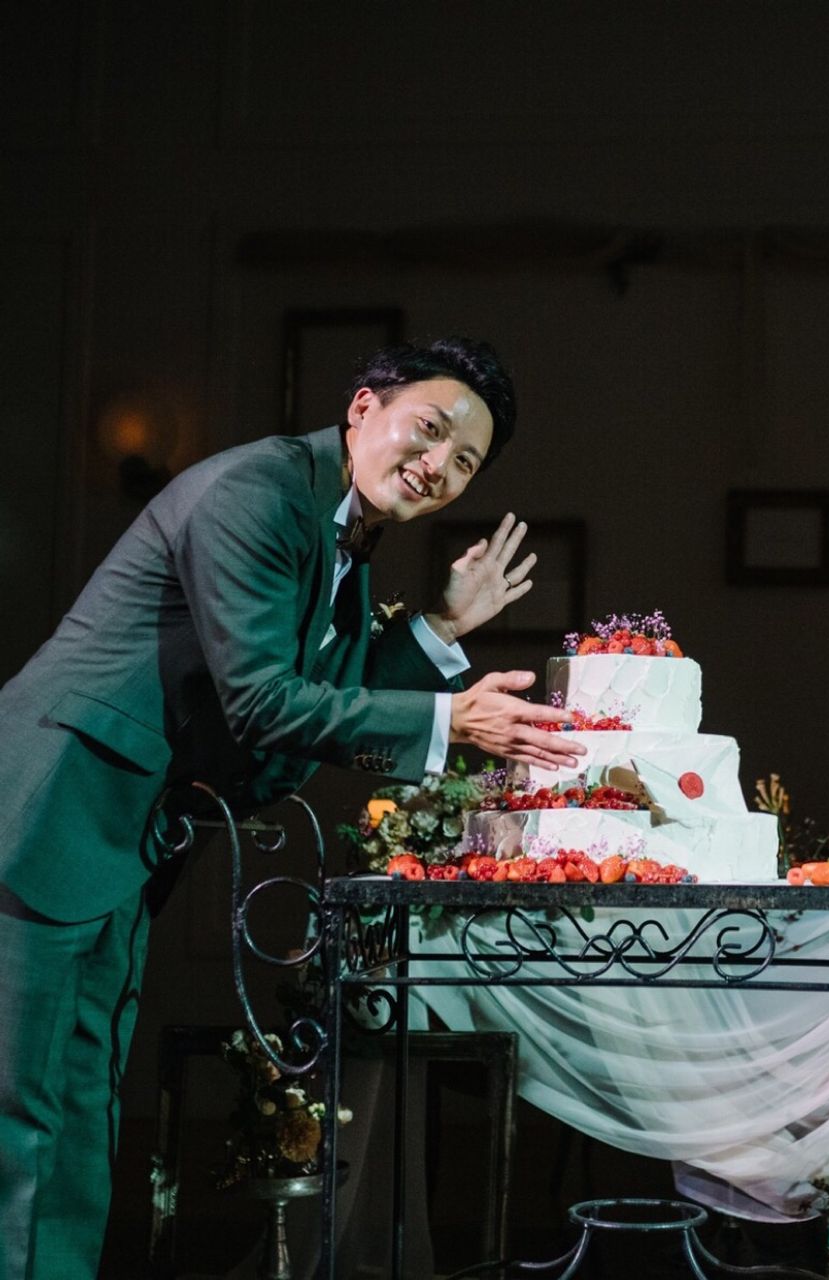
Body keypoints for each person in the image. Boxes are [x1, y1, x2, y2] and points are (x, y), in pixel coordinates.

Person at [0, 336, 583, 1280]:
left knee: (79, 1111)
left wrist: (439, 628)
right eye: (430, 429)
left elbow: (316, 707)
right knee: (18, 1120)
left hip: (120, 842)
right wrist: (453, 719)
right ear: (363, 407)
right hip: (47, 815)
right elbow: (265, 703)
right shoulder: (259, 494)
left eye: (465, 461)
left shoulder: (345, 533)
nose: (438, 465)